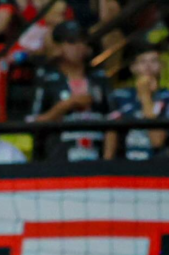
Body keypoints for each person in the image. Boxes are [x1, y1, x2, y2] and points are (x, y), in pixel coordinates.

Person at [30, 20, 114, 161]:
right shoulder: (47, 79)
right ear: (58, 47)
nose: (78, 47)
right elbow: (34, 121)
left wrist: (107, 160)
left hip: (96, 153)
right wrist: (66, 105)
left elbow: (113, 120)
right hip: (60, 156)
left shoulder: (99, 78)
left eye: (82, 41)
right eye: (71, 42)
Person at [108, 44, 169, 160]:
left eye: (154, 61)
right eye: (142, 61)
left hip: (158, 165)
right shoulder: (119, 96)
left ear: (162, 66)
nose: (148, 66)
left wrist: (145, 96)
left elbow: (157, 141)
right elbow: (110, 134)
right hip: (124, 165)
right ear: (133, 67)